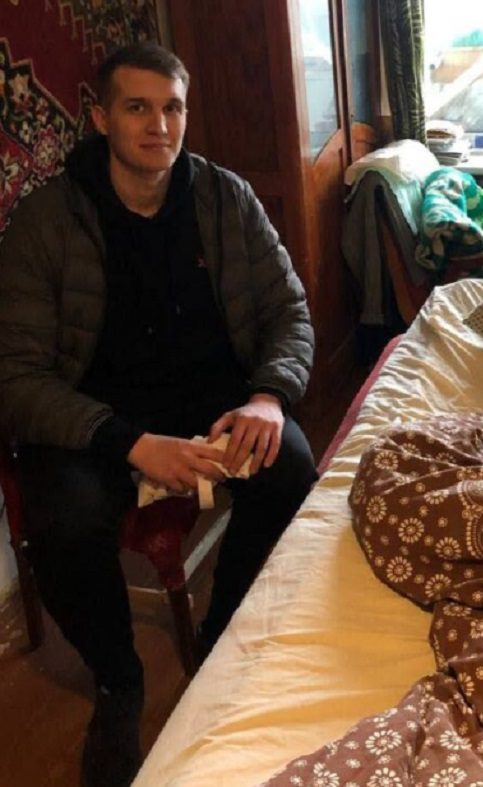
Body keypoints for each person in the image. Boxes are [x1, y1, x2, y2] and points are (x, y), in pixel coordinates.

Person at [0, 42, 317, 786]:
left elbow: (289, 313)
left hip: (212, 397)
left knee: (291, 468)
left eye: (173, 107)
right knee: (64, 525)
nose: (159, 125)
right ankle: (119, 678)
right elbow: (15, 377)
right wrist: (131, 443)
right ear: (100, 116)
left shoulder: (226, 198)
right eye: (138, 107)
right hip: (95, 415)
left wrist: (267, 396)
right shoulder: (46, 221)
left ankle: (220, 633)